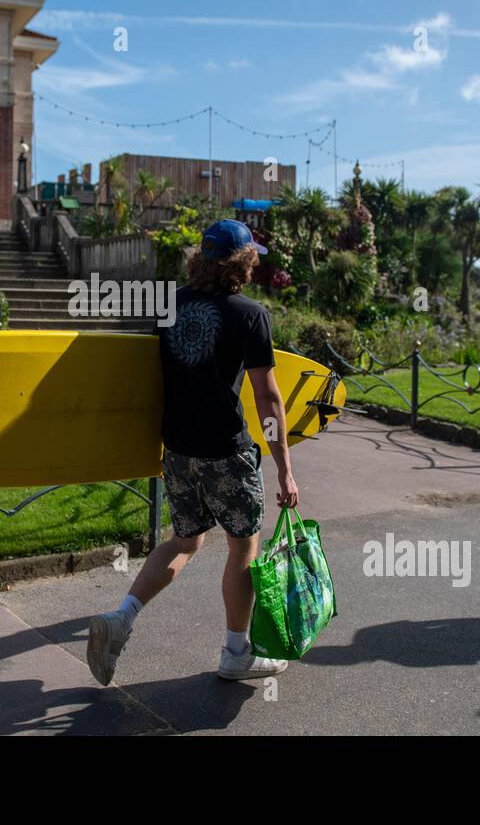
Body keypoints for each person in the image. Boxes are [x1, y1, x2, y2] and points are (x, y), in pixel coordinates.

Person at [86, 219, 300, 684]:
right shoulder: (250, 315)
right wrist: (285, 468)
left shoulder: (168, 307)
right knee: (243, 546)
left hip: (179, 450)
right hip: (226, 451)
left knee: (186, 540)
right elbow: (268, 397)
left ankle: (121, 618)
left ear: (200, 259)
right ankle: (236, 653)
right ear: (244, 263)